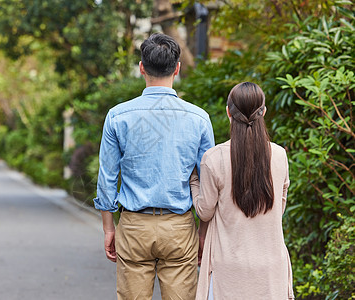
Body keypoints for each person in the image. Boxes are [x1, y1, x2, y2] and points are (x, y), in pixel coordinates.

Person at [93, 33, 215, 300]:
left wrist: (109, 228)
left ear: (141, 68)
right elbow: (208, 184)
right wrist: (203, 234)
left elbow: (107, 178)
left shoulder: (118, 116)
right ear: (177, 68)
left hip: (134, 225)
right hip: (179, 227)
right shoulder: (199, 118)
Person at [190, 82, 294, 299]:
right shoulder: (279, 155)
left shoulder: (214, 158)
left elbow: (204, 212)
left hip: (228, 271)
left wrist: (194, 182)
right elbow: (279, 209)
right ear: (263, 112)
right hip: (271, 269)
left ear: (228, 112)